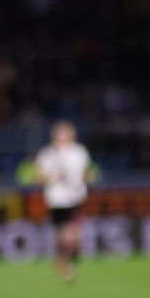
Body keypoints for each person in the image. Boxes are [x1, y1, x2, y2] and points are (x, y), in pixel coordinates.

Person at [34, 120, 96, 283]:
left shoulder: (79, 151)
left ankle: (68, 260)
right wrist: (54, 177)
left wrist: (88, 177)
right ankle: (63, 262)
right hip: (57, 199)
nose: (67, 135)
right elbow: (39, 176)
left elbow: (87, 171)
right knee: (63, 233)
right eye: (63, 132)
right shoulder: (47, 153)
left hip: (76, 196)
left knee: (75, 236)